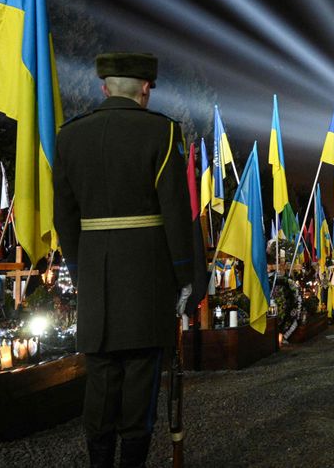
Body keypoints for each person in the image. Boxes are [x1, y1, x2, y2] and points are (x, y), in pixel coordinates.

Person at [54, 52, 204, 468]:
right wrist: (184, 276)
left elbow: (64, 216)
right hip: (147, 277)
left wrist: (79, 268)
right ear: (145, 89)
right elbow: (174, 211)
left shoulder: (70, 136)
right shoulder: (161, 132)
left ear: (104, 88)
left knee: (101, 376)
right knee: (140, 376)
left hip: (95, 276)